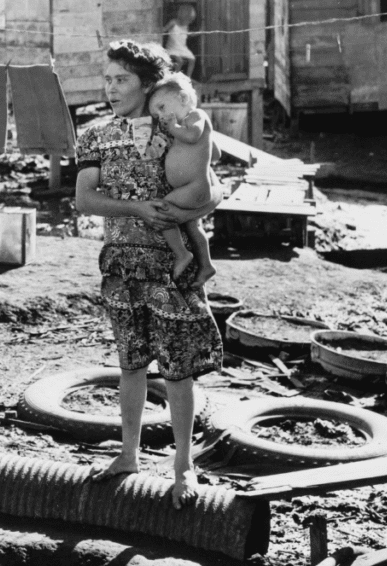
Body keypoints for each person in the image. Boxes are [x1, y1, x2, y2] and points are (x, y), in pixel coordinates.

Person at [74, 40, 223, 510]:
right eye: (107, 79)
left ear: (146, 83)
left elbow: (207, 186)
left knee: (178, 371)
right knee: (131, 364)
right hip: (121, 263)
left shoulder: (177, 129)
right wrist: (135, 207)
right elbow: (85, 200)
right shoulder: (95, 134)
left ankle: (183, 466)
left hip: (170, 264)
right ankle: (128, 455)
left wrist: (197, 236)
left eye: (121, 79)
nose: (111, 88)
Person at [147, 73, 218, 287]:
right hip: (190, 188)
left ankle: (182, 254)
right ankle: (206, 266)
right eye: (155, 113)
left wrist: (174, 130)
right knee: (193, 228)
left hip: (194, 187)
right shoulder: (180, 128)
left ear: (183, 99)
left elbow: (193, 136)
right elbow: (216, 153)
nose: (160, 116)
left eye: (161, 107)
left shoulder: (196, 116)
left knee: (162, 212)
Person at [163, 4, 196, 78]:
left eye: (190, 21)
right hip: (172, 48)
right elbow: (164, 29)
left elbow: (189, 34)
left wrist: (198, 33)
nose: (189, 22)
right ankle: (175, 77)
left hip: (182, 48)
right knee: (180, 61)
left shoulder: (186, 26)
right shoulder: (173, 22)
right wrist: (161, 30)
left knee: (192, 59)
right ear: (182, 17)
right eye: (188, 20)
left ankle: (188, 77)